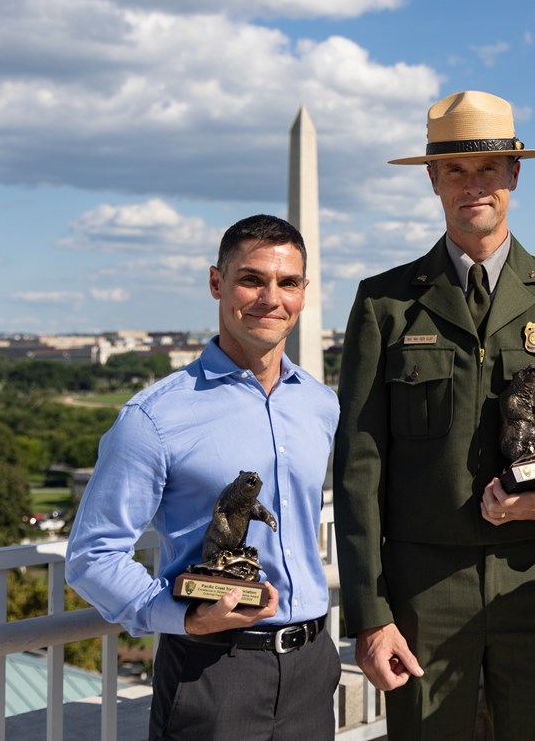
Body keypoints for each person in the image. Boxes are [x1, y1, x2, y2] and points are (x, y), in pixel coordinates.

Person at [333, 90, 535, 740]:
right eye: (457, 170)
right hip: (423, 597)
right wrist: (369, 612)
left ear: (515, 174)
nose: (475, 185)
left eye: (490, 167)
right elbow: (358, 469)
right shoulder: (383, 304)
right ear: (433, 178)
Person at [66, 214, 340, 740]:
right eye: (251, 279)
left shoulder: (320, 404)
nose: (270, 298)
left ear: (305, 292)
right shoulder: (154, 417)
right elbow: (91, 555)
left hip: (312, 666)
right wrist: (176, 615)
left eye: (287, 283)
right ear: (217, 282)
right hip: (212, 670)